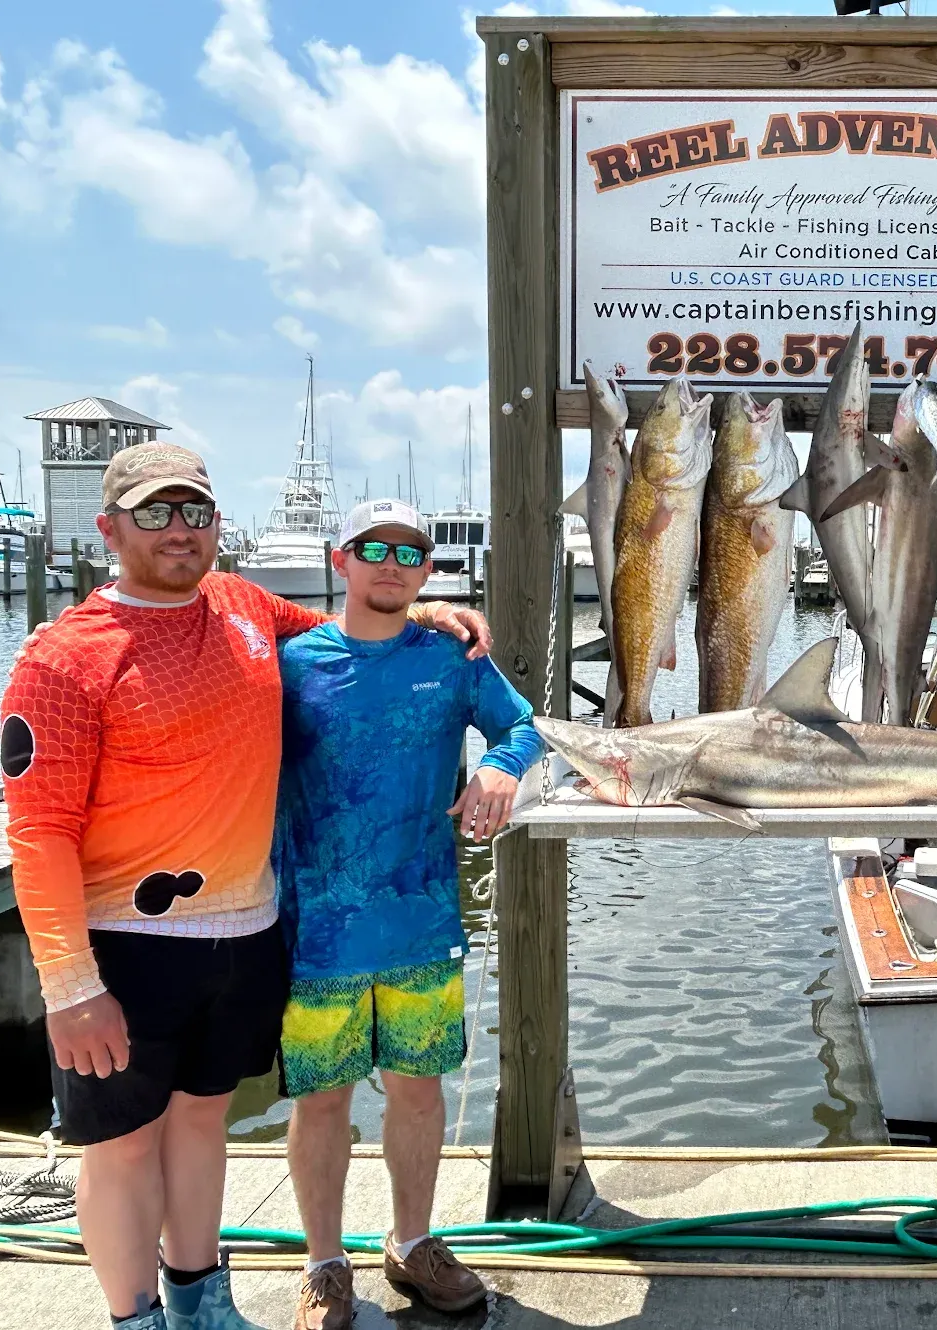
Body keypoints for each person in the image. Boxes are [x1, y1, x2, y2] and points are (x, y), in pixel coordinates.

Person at [0, 445, 490, 1330]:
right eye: (153, 513)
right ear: (108, 528)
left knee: (200, 1127)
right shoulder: (63, 654)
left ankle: (200, 1301)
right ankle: (134, 1316)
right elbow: (37, 831)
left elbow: (351, 641)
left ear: (219, 526)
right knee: (121, 1146)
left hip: (248, 932)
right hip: (125, 943)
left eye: (194, 511)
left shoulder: (241, 605)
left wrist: (430, 608)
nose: (178, 530)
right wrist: (70, 984)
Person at [275, 501, 542, 1330]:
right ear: (339, 559)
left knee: (418, 1091)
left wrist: (499, 767)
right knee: (319, 1100)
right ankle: (324, 1264)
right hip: (314, 927)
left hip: (423, 919)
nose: (392, 563)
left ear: (428, 572)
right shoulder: (289, 664)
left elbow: (525, 726)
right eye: (374, 549)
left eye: (411, 553)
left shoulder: (453, 656)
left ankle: (412, 1241)